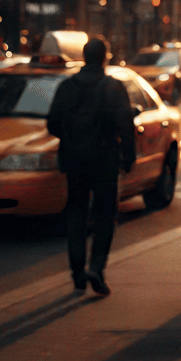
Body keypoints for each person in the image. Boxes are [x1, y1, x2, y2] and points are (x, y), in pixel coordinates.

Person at [47, 36, 135, 297]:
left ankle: (77, 271)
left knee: (76, 212)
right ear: (104, 58)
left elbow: (52, 124)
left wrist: (71, 138)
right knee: (105, 215)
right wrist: (128, 157)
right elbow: (126, 126)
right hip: (105, 160)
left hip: (74, 160)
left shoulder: (66, 87)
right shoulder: (113, 88)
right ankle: (96, 267)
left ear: (84, 58)